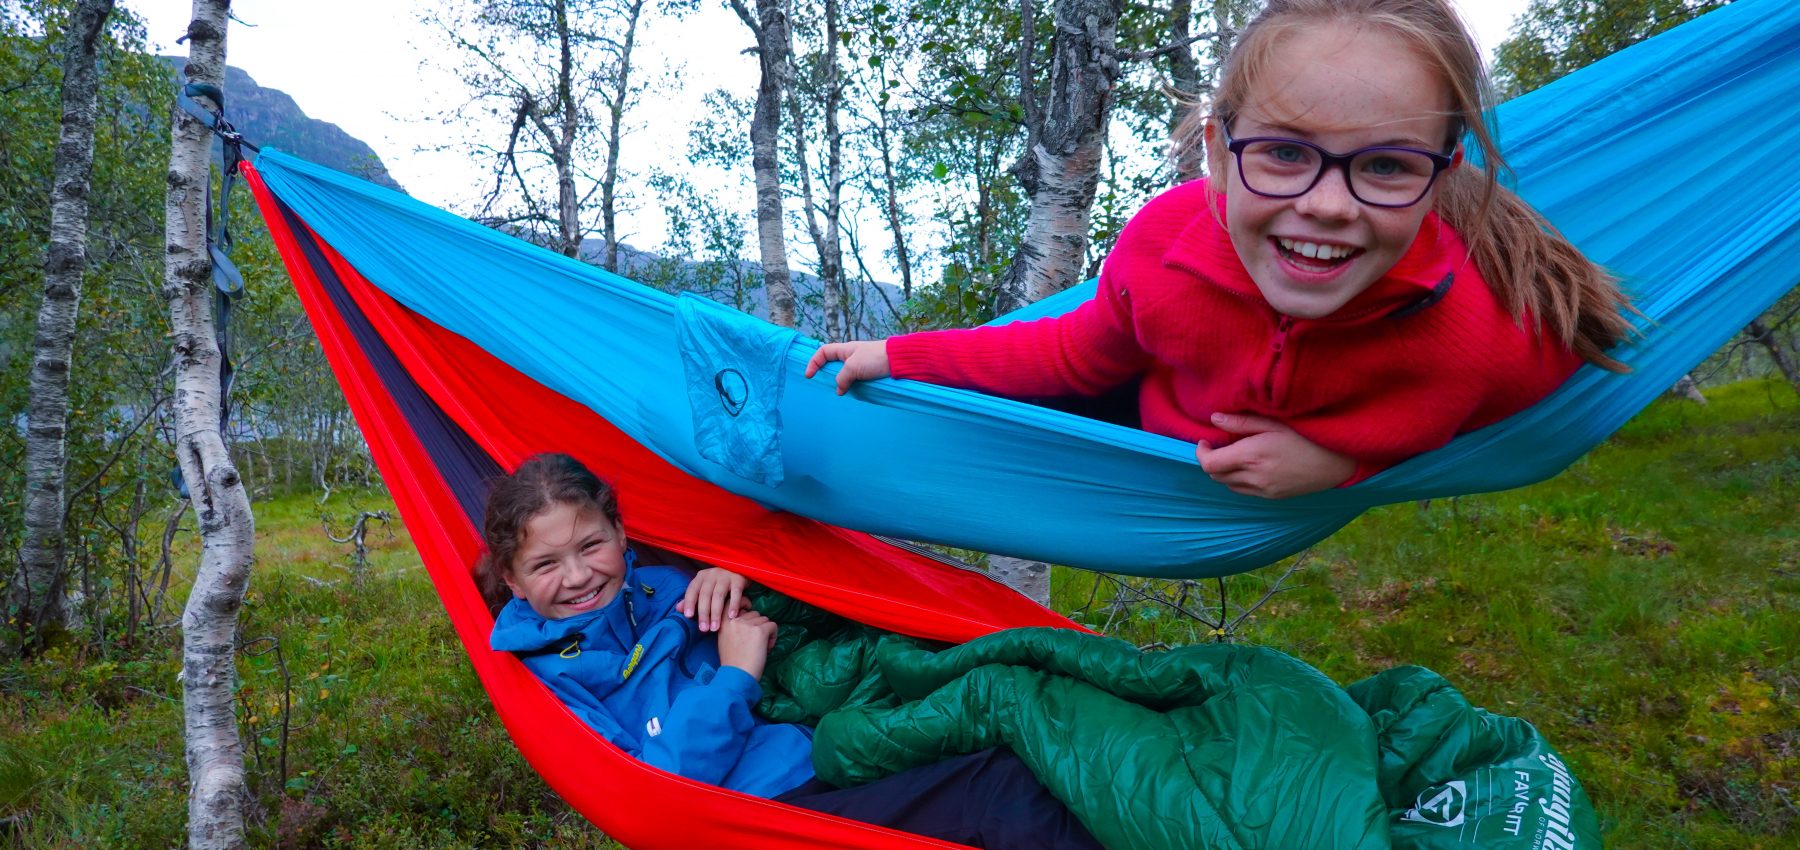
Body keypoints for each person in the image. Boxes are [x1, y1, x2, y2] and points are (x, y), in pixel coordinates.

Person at [806, 0, 1634, 499]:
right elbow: (1072, 353)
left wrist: (1340, 466)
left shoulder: (1479, 337)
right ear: (1214, 154)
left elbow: (1556, 386)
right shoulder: (1165, 247)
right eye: (1283, 152)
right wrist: (898, 352)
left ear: (1440, 176)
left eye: (1385, 165)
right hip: (1136, 430)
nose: (1327, 205)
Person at [477, 453, 1102, 850]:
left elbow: (788, 627)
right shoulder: (541, 678)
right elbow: (655, 789)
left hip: (819, 752)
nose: (579, 576)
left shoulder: (665, 588)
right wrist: (734, 677)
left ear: (619, 530)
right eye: (546, 564)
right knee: (996, 791)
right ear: (512, 579)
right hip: (767, 815)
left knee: (1016, 727)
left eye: (591, 545)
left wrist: (733, 574)